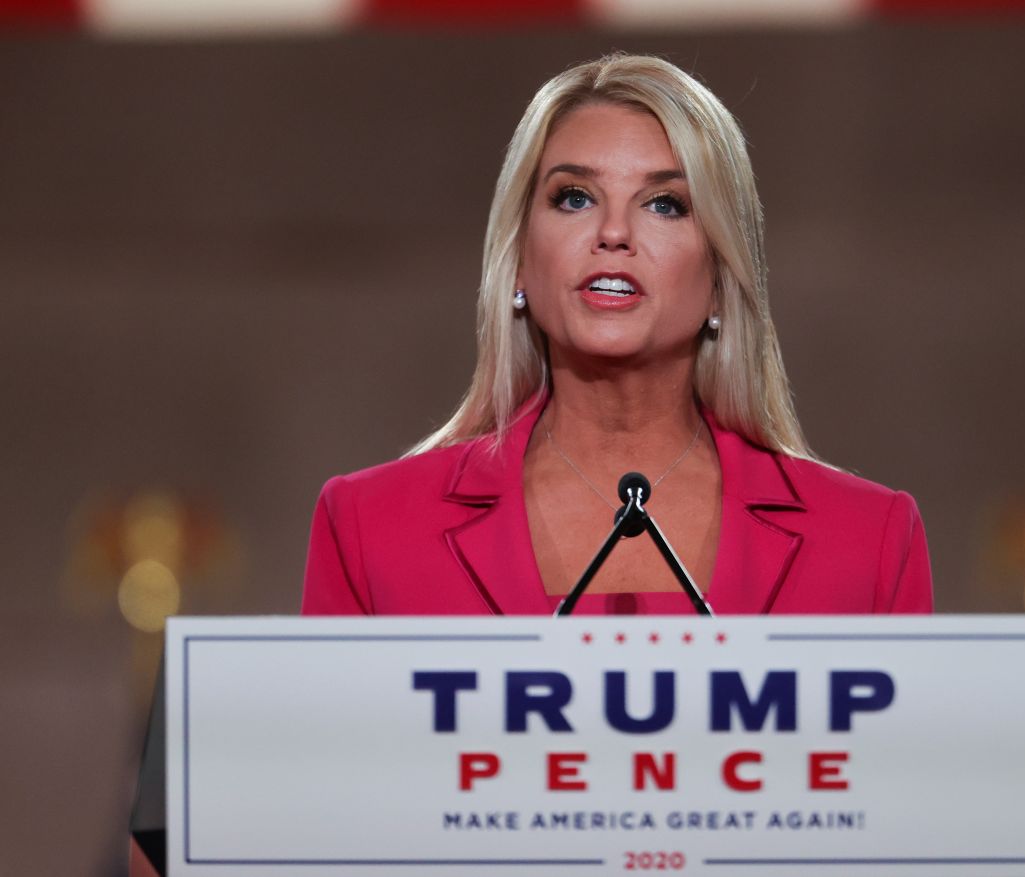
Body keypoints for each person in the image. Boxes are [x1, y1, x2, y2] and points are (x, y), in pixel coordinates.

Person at [302, 53, 931, 617]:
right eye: (574, 197)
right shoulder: (368, 531)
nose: (613, 233)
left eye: (665, 204)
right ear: (519, 258)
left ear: (720, 274)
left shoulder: (869, 542)